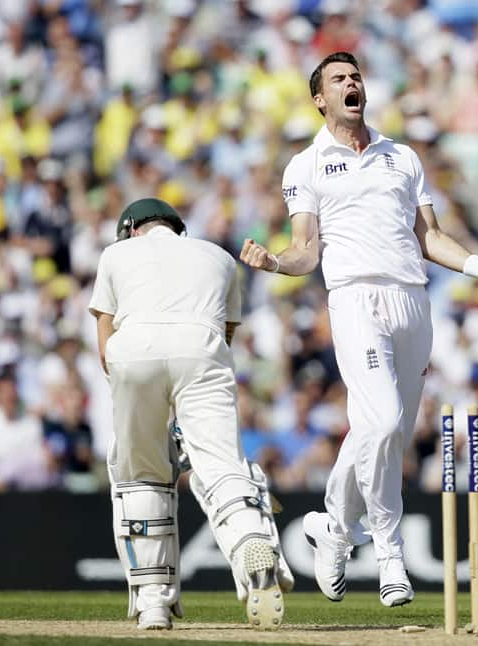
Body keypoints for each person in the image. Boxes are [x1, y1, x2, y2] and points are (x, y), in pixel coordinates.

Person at [239, 52, 478, 607]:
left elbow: (432, 238)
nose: (352, 83)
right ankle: (389, 553)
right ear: (319, 99)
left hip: (411, 300)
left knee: (385, 430)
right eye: (338, 80)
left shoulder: (402, 156)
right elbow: (306, 250)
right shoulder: (305, 164)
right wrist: (275, 263)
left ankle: (332, 524)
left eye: (356, 76)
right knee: (384, 418)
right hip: (353, 298)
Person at [89, 198, 293, 630]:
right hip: (202, 350)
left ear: (131, 229)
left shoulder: (115, 253)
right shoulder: (218, 256)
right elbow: (225, 335)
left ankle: (153, 604)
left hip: (133, 353)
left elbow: (105, 344)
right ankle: (251, 542)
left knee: (140, 473)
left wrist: (146, 407)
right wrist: (187, 405)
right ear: (178, 229)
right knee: (222, 467)